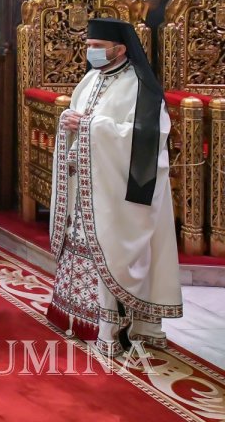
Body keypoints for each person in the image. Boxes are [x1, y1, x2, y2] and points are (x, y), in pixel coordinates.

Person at [43, 18, 182, 357]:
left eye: (97, 47)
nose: (91, 53)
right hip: (87, 188)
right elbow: (76, 117)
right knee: (81, 248)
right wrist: (68, 122)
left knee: (108, 251)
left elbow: (148, 139)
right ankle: (76, 318)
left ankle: (112, 328)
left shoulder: (140, 87)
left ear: (119, 49)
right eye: (89, 47)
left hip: (117, 195)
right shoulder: (90, 79)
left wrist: (92, 125)